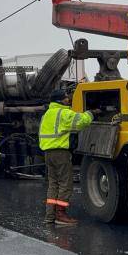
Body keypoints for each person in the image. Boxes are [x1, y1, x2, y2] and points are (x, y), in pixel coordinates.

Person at [39, 89, 96, 225]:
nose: (68, 100)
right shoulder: (63, 113)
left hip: (48, 153)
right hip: (60, 153)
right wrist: (91, 113)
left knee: (53, 184)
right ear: (59, 100)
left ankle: (50, 215)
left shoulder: (47, 114)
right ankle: (61, 215)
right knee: (65, 183)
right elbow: (81, 121)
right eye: (66, 98)